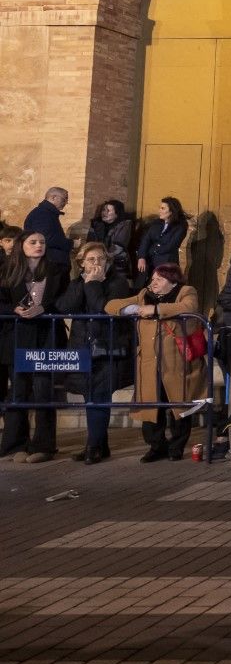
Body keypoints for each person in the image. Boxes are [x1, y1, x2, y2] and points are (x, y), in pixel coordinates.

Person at [105, 263, 204, 462]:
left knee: (179, 407)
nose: (153, 282)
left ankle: (176, 447)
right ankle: (156, 446)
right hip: (149, 363)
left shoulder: (186, 291)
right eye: (153, 278)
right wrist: (132, 309)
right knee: (151, 407)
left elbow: (188, 307)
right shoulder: (144, 294)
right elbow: (110, 305)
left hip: (176, 362)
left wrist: (156, 309)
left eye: (159, 279)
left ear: (172, 280)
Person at [58, 241, 133, 463]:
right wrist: (85, 283)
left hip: (107, 348)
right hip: (83, 348)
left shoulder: (117, 284)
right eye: (91, 259)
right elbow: (65, 307)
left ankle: (93, 447)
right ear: (81, 263)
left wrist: (93, 284)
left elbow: (102, 306)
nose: (97, 263)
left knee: (99, 396)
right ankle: (100, 444)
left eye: (101, 259)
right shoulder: (78, 282)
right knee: (89, 396)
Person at [1, 230, 68, 461]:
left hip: (46, 337)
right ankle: (14, 445)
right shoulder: (8, 270)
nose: (39, 245)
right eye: (33, 242)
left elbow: (65, 301)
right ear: (22, 245)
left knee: (43, 391)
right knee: (18, 391)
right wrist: (13, 310)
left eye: (42, 241)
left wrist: (44, 308)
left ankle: (43, 446)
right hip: (17, 338)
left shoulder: (57, 270)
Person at [135, 197, 189, 281]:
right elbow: (146, 240)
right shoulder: (156, 223)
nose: (159, 211)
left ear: (171, 211)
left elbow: (171, 245)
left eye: (163, 208)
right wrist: (141, 257)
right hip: (149, 261)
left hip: (166, 263)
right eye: (160, 208)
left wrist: (153, 250)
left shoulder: (180, 226)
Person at [24, 187, 73, 268]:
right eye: (64, 199)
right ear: (53, 197)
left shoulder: (47, 213)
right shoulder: (42, 214)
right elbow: (45, 238)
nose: (66, 202)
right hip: (49, 264)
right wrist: (71, 243)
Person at [89, 199, 135, 277]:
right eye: (103, 210)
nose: (104, 213)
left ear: (117, 214)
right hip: (97, 261)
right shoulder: (96, 224)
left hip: (117, 263)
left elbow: (117, 248)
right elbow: (89, 243)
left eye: (108, 211)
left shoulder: (124, 225)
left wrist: (100, 259)